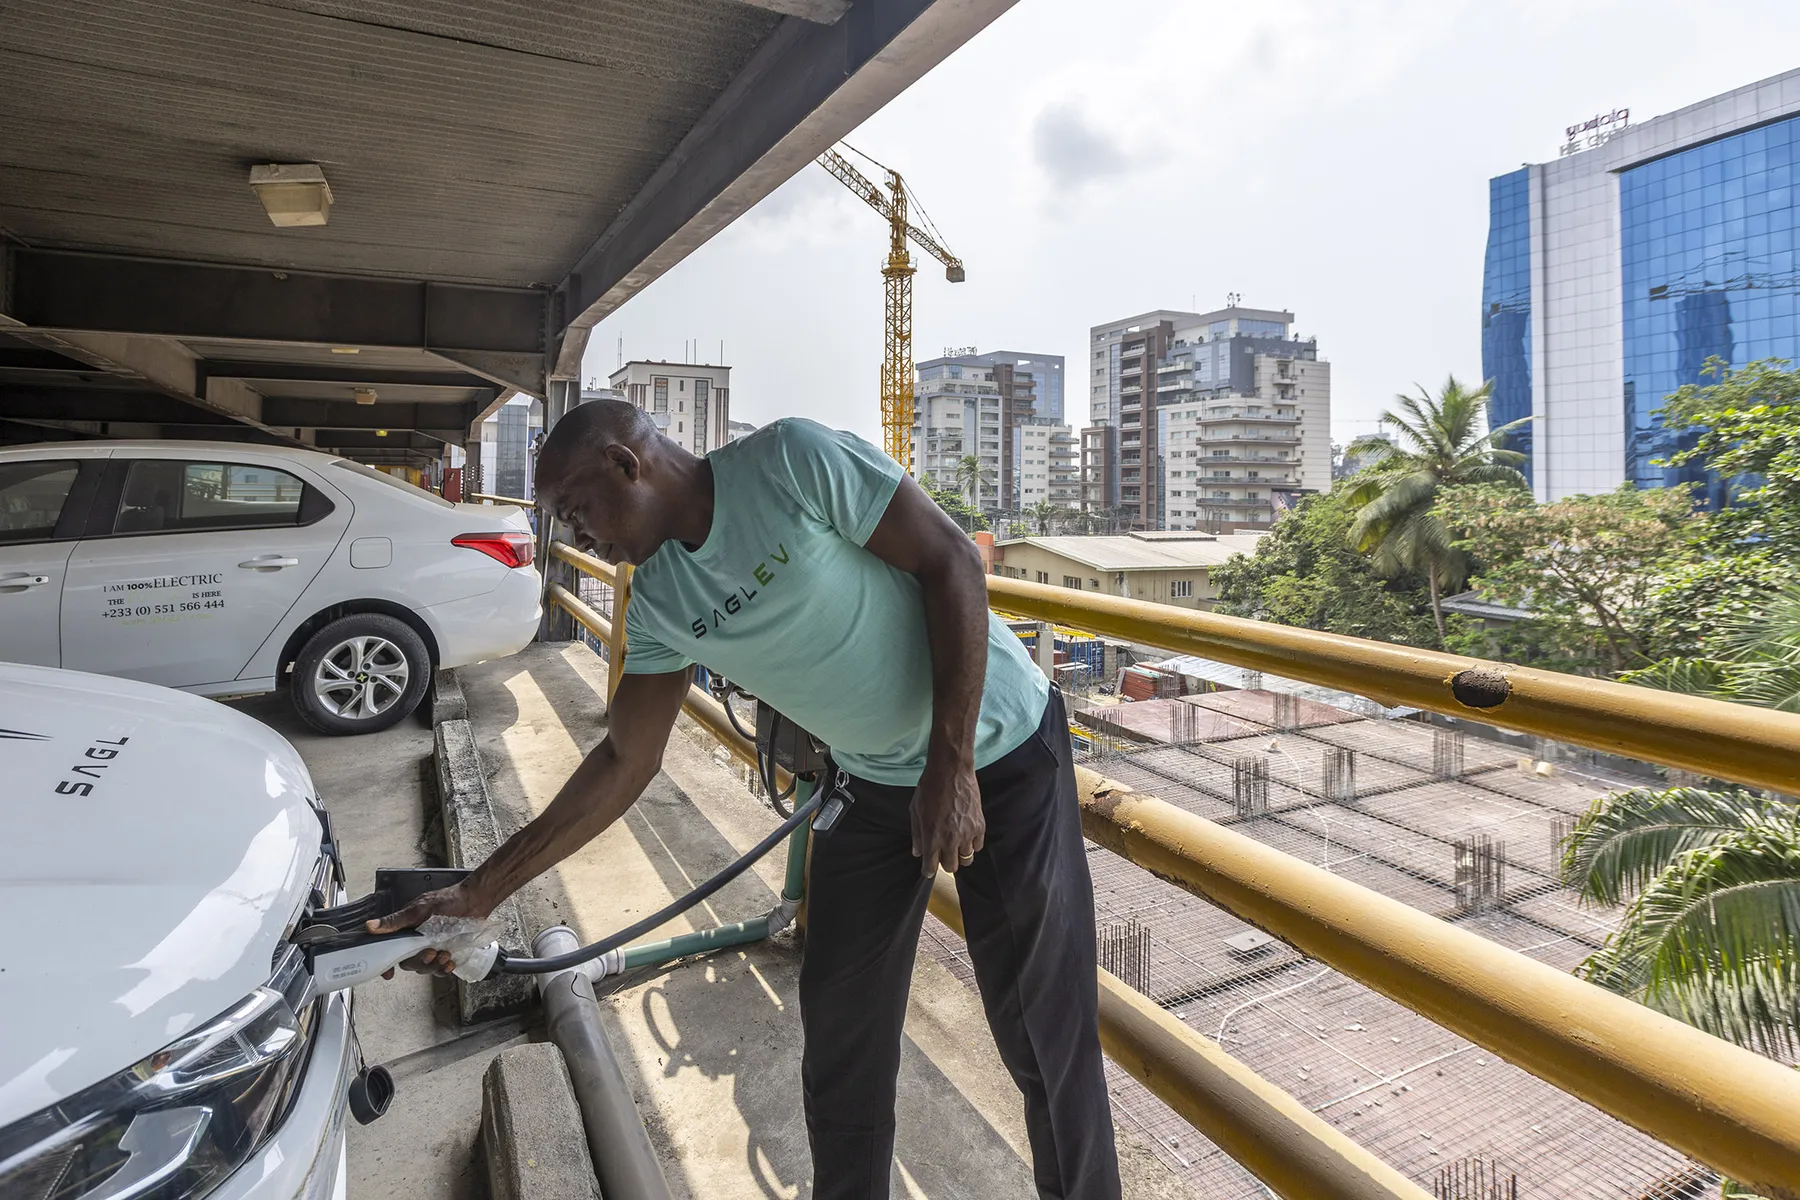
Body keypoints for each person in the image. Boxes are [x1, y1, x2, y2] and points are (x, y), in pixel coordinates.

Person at [370, 401, 1120, 1199]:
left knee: (1042, 1036)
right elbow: (627, 757)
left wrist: (953, 765)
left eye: (576, 512)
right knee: (841, 1037)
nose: (575, 540)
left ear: (629, 465)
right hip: (871, 781)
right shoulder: (656, 599)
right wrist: (481, 890)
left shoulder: (790, 461)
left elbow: (952, 564)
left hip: (996, 750)